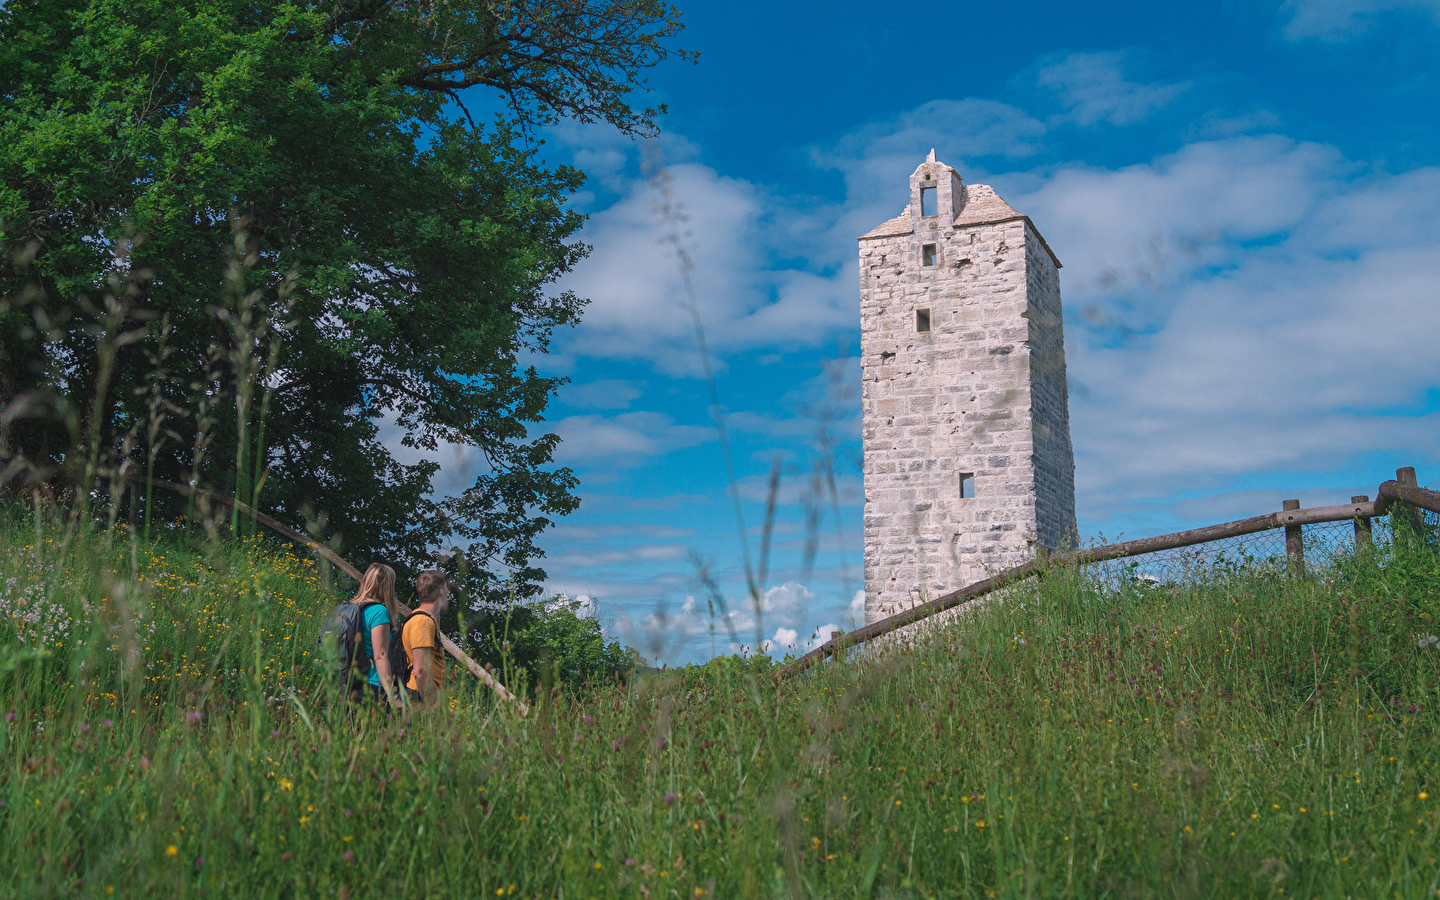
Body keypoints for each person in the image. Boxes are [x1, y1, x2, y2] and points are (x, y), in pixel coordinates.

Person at [351, 562, 403, 709]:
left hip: (349, 682)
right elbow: (380, 656)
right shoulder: (379, 612)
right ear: (386, 587)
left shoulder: (351, 607)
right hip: (372, 683)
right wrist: (393, 696)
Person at [402, 570, 450, 707]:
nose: (447, 593)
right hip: (419, 696)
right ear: (441, 591)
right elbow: (420, 671)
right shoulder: (422, 622)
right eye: (446, 589)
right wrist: (432, 704)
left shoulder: (420, 617)